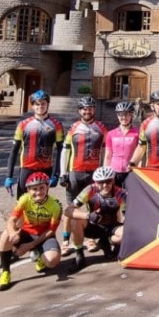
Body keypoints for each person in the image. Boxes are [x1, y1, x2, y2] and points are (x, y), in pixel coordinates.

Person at [0, 172, 63, 291]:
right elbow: (11, 220)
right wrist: (12, 234)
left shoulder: (56, 205)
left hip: (44, 236)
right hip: (27, 233)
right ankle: (6, 272)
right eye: (34, 189)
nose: (38, 192)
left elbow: (51, 231)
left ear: (47, 187)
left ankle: (38, 256)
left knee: (52, 261)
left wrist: (30, 246)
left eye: (42, 188)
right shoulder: (24, 199)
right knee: (6, 234)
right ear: (28, 190)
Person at [59, 96, 107, 255]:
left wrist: (104, 171)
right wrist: (63, 173)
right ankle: (65, 241)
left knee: (93, 207)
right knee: (71, 207)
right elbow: (65, 150)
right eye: (84, 108)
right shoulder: (73, 127)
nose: (87, 111)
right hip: (75, 172)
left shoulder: (101, 127)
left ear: (94, 109)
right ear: (79, 110)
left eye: (90, 108)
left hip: (93, 173)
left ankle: (91, 239)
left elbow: (106, 151)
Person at [4, 90, 65, 197]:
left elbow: (61, 151)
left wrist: (56, 173)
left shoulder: (56, 125)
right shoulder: (23, 125)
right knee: (23, 201)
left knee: (41, 201)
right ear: (32, 106)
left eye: (43, 104)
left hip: (46, 169)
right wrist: (9, 176)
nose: (40, 106)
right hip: (27, 168)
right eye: (37, 104)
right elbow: (14, 151)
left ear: (47, 105)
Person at [65, 166, 127, 270]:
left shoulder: (120, 193)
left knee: (127, 233)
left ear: (113, 180)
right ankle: (79, 255)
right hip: (94, 226)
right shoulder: (90, 189)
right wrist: (88, 216)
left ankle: (106, 241)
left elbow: (128, 215)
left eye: (108, 181)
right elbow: (68, 211)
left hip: (112, 227)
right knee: (75, 220)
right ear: (95, 182)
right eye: (100, 182)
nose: (104, 185)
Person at [105, 101, 140, 186]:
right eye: (121, 114)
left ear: (131, 115)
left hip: (130, 172)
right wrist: (106, 174)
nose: (124, 117)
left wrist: (138, 172)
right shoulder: (110, 134)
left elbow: (140, 156)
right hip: (114, 172)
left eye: (127, 114)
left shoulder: (137, 133)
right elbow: (108, 156)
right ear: (117, 116)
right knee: (115, 197)